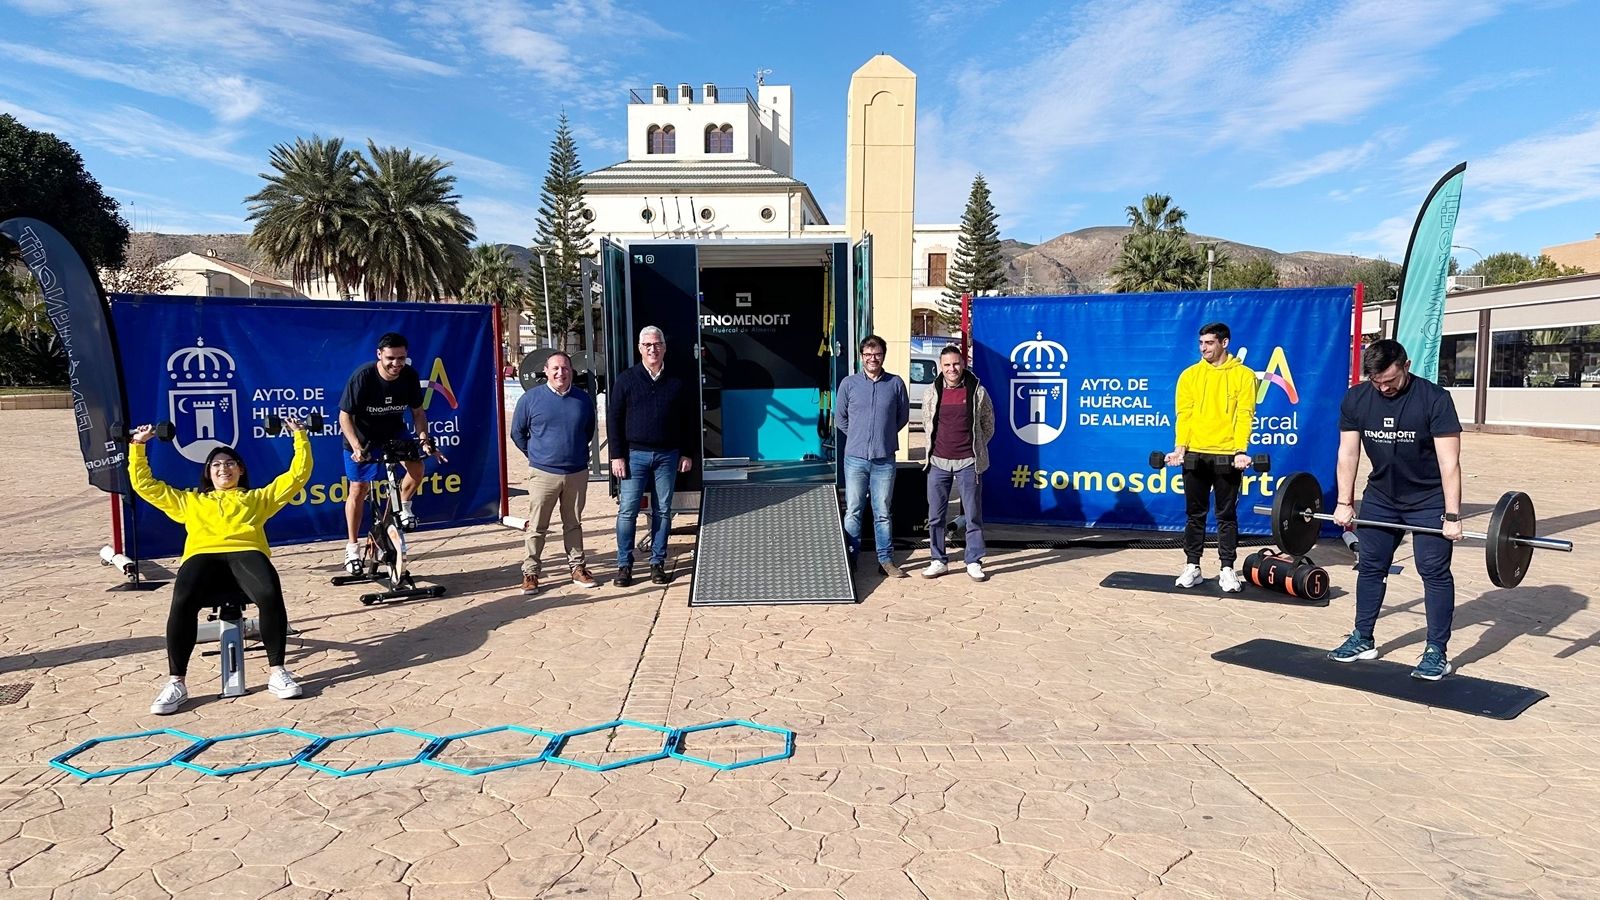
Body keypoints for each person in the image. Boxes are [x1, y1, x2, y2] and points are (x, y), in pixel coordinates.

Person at [127, 418, 314, 714]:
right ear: (208, 474)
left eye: (229, 463)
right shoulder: (191, 502)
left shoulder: (257, 499)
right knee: (183, 599)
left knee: (268, 593)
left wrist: (300, 437)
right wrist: (138, 446)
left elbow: (297, 476)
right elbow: (145, 486)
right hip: (203, 555)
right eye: (216, 465)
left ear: (240, 470)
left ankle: (277, 672)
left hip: (245, 551)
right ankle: (177, 682)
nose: (223, 468)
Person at [1328, 339, 1463, 680]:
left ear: (1407, 364)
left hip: (1428, 498)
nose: (1384, 387)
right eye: (1377, 382)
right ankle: (1363, 637)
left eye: (1390, 379)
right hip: (1381, 496)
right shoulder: (1356, 398)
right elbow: (1348, 454)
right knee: (1371, 566)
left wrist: (1452, 515)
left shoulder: (1434, 399)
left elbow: (1450, 463)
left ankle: (1436, 650)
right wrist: (1345, 502)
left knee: (1432, 570)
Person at [338, 332, 447, 574]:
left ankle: (402, 507)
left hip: (394, 432)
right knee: (358, 489)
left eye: (401, 358)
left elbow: (418, 413)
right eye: (390, 358)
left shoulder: (409, 375)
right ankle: (352, 548)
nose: (396, 364)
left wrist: (424, 440)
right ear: (379, 355)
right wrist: (356, 446)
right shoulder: (363, 376)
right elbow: (344, 416)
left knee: (418, 468)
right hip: (363, 438)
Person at [1166, 321, 1259, 592]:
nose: (1203, 348)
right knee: (1195, 514)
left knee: (1226, 515)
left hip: (1227, 455)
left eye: (1209, 343)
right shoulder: (1190, 375)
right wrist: (1180, 446)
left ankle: (1227, 569)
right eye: (1201, 343)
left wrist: (1241, 450)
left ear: (1224, 343)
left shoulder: (1244, 375)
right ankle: (1192, 566)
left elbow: (1245, 415)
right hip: (1195, 453)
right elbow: (1184, 414)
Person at [609, 325, 695, 587]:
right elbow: (614, 419)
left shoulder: (678, 382)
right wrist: (616, 456)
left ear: (664, 348)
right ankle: (624, 565)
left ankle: (657, 563)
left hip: (668, 456)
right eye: (647, 345)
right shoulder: (626, 379)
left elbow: (688, 420)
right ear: (639, 349)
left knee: (663, 511)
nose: (652, 349)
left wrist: (687, 453)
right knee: (627, 512)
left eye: (657, 344)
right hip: (634, 456)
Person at [510, 351, 598, 594]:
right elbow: (517, 433)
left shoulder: (583, 399)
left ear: (572, 371)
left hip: (576, 473)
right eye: (556, 368)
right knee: (537, 526)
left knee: (573, 523)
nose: (561, 373)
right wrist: (537, 456)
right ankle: (530, 572)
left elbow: (588, 430)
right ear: (546, 371)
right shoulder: (531, 399)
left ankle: (578, 568)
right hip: (543, 474)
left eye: (565, 368)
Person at [836, 334, 912, 578]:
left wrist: (884, 435)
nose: (872, 359)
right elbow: (840, 418)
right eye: (868, 355)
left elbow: (902, 417)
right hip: (855, 458)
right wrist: (858, 436)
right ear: (861, 357)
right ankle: (850, 557)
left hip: (884, 459)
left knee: (882, 511)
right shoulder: (848, 384)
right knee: (854, 510)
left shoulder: (896, 383)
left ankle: (886, 560)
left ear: (883, 356)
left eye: (877, 354)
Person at [919, 345, 996, 581]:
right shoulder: (931, 392)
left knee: (972, 514)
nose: (952, 369)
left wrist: (976, 449)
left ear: (962, 364)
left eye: (956, 364)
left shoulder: (978, 391)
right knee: (935, 515)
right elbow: (926, 423)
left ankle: (973, 560)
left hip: (968, 463)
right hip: (938, 463)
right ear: (940, 367)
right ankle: (938, 560)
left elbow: (988, 424)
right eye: (947, 365)